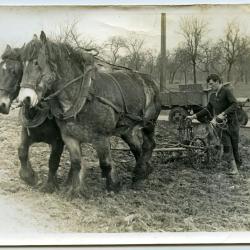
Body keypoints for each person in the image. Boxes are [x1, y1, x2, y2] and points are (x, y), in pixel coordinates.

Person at [187, 73, 241, 175]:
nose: (210, 86)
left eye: (212, 84)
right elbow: (208, 109)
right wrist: (194, 116)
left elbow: (235, 104)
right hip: (221, 125)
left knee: (234, 146)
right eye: (209, 84)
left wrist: (223, 113)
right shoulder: (212, 96)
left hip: (232, 124)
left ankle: (237, 165)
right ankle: (234, 169)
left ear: (218, 82)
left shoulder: (226, 92)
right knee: (227, 145)